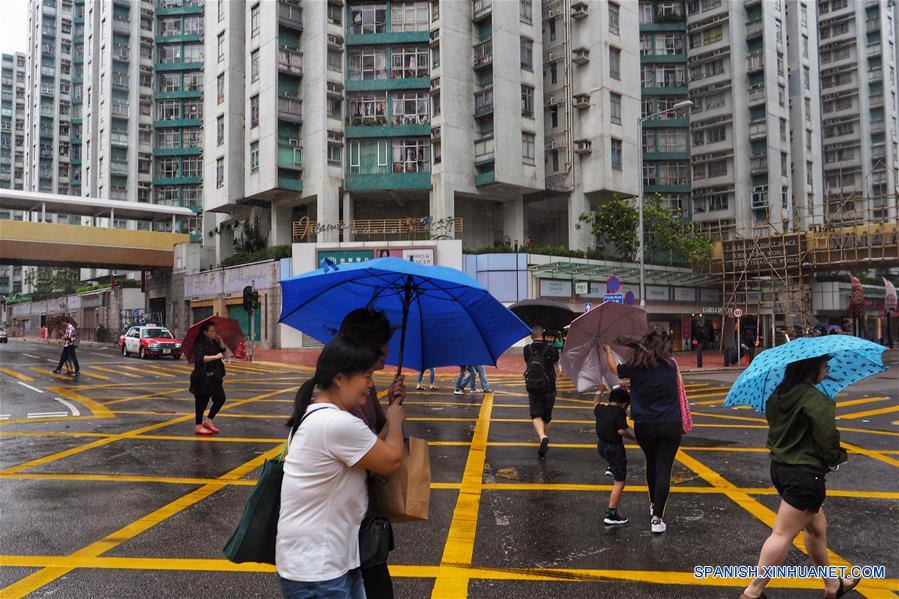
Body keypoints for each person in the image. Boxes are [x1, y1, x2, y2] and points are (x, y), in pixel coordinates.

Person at [277, 336, 406, 599]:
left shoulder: (315, 415)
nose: (371, 385)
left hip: (330, 562)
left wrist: (392, 407)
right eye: (366, 377)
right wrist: (395, 419)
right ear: (339, 378)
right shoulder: (335, 423)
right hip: (319, 572)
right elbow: (390, 460)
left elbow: (370, 451)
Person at [740, 356, 859, 599]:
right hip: (805, 475)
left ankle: (832, 585)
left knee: (816, 530)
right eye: (824, 365)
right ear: (811, 368)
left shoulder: (777, 396)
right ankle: (752, 592)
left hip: (781, 470)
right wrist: (836, 457)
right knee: (782, 534)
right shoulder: (815, 399)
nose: (827, 369)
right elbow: (827, 440)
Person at [338, 307, 405, 599]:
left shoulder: (366, 385)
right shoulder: (338, 398)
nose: (388, 351)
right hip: (344, 523)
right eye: (382, 344)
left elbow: (378, 429)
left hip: (365, 510)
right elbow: (383, 454)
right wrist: (393, 420)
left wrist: (392, 404)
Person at [604, 330, 682, 534]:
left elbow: (614, 368)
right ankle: (657, 518)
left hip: (644, 425)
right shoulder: (671, 365)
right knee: (664, 468)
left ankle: (653, 502)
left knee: (652, 462)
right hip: (670, 423)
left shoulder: (637, 367)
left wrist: (608, 349)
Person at [594, 387, 634, 526]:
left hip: (601, 446)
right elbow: (621, 431)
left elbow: (595, 404)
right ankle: (611, 514)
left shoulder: (601, 409)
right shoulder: (619, 412)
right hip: (614, 448)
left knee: (613, 463)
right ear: (624, 404)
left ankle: (611, 467)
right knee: (620, 483)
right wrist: (633, 438)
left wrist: (600, 391)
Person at [524, 325, 560, 458]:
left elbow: (527, 364)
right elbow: (556, 364)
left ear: (531, 336)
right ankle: (545, 438)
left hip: (533, 385)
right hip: (549, 385)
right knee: (547, 416)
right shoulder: (552, 349)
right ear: (543, 334)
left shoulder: (526, 349)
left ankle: (542, 436)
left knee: (535, 414)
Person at [189, 321, 227, 436]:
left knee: (221, 398)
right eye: (212, 331)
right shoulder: (200, 343)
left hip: (215, 376)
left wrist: (220, 340)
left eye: (215, 331)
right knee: (202, 402)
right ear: (205, 332)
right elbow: (200, 359)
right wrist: (216, 356)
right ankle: (198, 425)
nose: (214, 333)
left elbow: (223, 349)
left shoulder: (214, 342)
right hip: (202, 377)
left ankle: (209, 421)